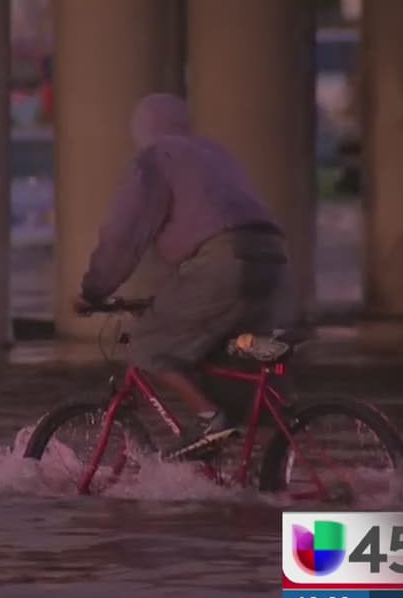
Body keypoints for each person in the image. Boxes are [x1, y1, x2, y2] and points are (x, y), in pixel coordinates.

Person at [73, 92, 296, 458]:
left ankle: (211, 421)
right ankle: (269, 471)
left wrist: (93, 290)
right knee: (231, 366)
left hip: (224, 262)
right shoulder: (216, 153)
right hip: (271, 259)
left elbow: (124, 236)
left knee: (148, 344)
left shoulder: (155, 158)